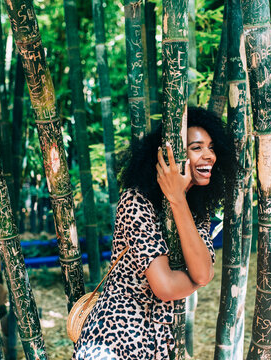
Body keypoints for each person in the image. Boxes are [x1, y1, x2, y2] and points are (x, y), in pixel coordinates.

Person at [72, 106, 233, 359]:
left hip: (156, 342)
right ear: (168, 157)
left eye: (211, 147)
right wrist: (197, 279)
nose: (209, 155)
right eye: (197, 147)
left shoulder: (197, 210)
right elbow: (167, 286)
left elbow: (202, 272)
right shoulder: (136, 201)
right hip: (115, 338)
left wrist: (178, 199)